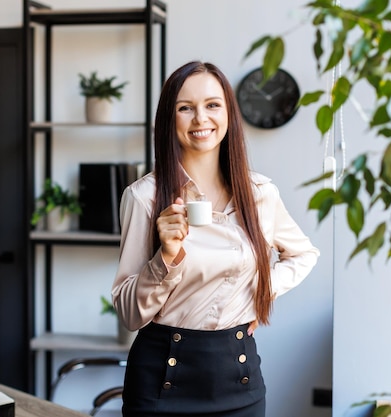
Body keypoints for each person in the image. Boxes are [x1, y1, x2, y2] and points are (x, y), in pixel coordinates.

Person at [111, 61, 320, 417]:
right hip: (161, 381)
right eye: (185, 108)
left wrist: (260, 292)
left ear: (228, 113)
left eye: (212, 105)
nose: (200, 119)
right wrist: (166, 256)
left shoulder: (259, 194)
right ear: (168, 118)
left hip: (238, 378)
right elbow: (129, 313)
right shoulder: (143, 197)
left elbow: (303, 254)